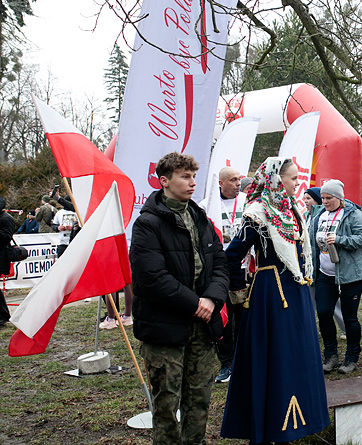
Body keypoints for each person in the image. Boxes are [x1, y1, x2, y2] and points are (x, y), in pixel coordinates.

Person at [221, 157, 330, 443]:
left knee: (298, 352)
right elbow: (232, 255)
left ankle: (301, 420)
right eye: (293, 178)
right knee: (277, 354)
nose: (298, 183)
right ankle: (273, 421)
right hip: (273, 294)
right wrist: (239, 291)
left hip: (297, 289)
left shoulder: (292, 209)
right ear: (277, 180)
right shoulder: (257, 213)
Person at [130, 152, 229, 444]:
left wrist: (211, 298)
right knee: (166, 406)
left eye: (194, 176)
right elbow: (151, 279)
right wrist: (195, 303)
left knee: (199, 401)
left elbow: (220, 264)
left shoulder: (200, 218)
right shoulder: (148, 224)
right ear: (164, 180)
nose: (192, 182)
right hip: (165, 329)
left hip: (203, 326)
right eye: (185, 176)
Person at [311, 179, 362, 374]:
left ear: (339, 198)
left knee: (349, 318)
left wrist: (340, 240)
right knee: (323, 313)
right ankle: (330, 355)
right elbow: (313, 244)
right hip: (324, 274)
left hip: (349, 275)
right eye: (322, 198)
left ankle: (352, 356)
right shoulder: (319, 216)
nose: (325, 201)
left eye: (329, 198)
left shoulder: (353, 214)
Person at [199, 166, 247, 383]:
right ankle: (226, 361)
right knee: (223, 317)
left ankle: (244, 358)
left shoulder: (247, 202)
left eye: (239, 180)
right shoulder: (207, 206)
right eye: (233, 180)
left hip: (244, 269)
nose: (238, 183)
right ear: (221, 183)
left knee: (242, 315)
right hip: (218, 270)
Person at [305, 186, 347, 339]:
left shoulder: (325, 215)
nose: (306, 202)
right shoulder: (306, 216)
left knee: (334, 304)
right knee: (317, 304)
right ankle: (310, 331)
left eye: (309, 198)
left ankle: (346, 329)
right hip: (313, 266)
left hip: (330, 267)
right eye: (304, 199)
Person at [0, 196, 16, 326]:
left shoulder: (6, 219)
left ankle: (4, 315)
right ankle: (3, 314)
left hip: (1, 257)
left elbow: (6, 237)